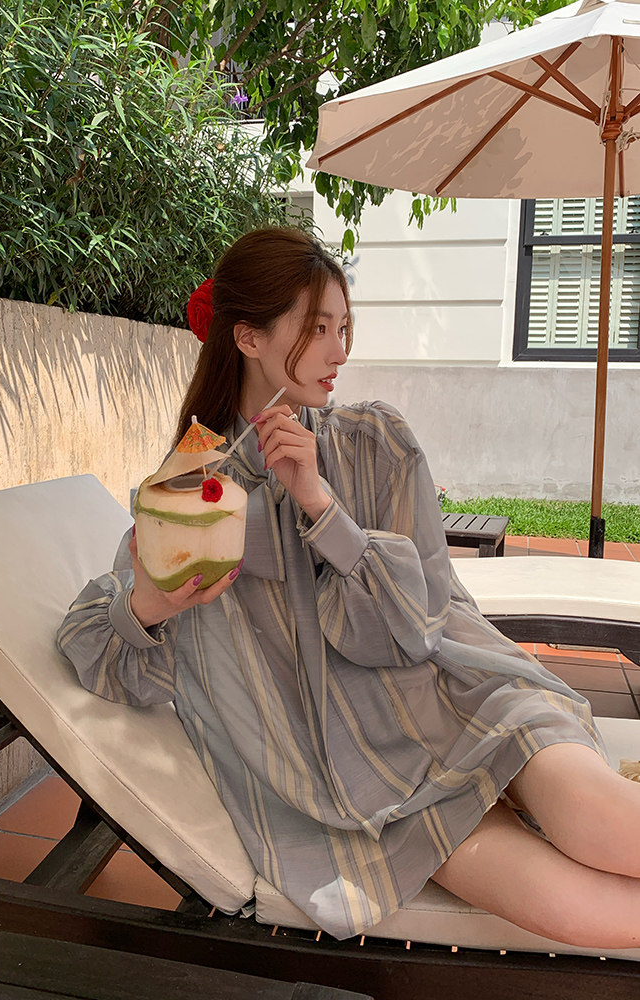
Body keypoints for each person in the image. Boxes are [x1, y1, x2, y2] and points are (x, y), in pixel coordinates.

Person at [58, 227, 640, 947]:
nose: (339, 352)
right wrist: (152, 603)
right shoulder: (191, 491)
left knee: (604, 822)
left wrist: (320, 506)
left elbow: (421, 620)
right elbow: (96, 641)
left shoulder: (375, 443)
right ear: (247, 337)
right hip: (361, 780)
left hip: (466, 695)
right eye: (317, 329)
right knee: (573, 907)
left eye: (343, 328)